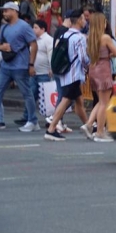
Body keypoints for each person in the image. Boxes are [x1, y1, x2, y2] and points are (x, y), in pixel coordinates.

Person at [0, 2, 39, 132]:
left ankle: (32, 121)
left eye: (6, 11)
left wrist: (31, 64)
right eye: (3, 11)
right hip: (6, 66)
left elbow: (34, 45)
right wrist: (2, 47)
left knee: (26, 93)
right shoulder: (4, 27)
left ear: (15, 11)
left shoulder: (24, 26)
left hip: (20, 66)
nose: (4, 13)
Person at [44, 10, 91, 141]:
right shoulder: (80, 37)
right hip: (74, 74)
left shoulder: (65, 35)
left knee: (79, 101)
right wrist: (90, 64)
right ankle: (51, 129)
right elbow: (83, 58)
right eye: (83, 18)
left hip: (65, 72)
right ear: (79, 20)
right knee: (65, 101)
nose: (85, 21)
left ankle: (88, 127)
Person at [84, 13, 116, 142]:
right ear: (101, 24)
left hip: (93, 68)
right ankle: (100, 132)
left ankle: (89, 124)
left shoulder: (89, 38)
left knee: (100, 100)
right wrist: (109, 55)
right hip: (103, 69)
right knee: (104, 103)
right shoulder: (105, 37)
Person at [29, 20, 54, 130]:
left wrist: (51, 68)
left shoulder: (48, 39)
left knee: (46, 98)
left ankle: (50, 119)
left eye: (36, 27)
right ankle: (28, 117)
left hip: (44, 73)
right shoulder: (33, 40)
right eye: (33, 27)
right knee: (31, 95)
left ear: (43, 29)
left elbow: (51, 54)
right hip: (34, 72)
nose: (33, 29)